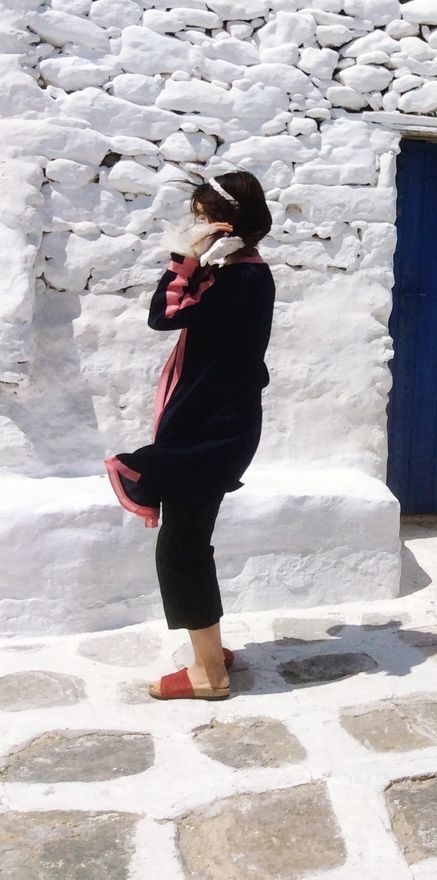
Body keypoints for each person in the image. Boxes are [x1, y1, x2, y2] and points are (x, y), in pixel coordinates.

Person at [104, 170, 275, 701]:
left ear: (223, 223)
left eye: (200, 217)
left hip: (210, 434)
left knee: (181, 550)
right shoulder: (236, 274)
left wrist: (185, 257)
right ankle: (211, 648)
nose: (194, 225)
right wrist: (200, 260)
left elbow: (165, 314)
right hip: (212, 427)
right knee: (189, 543)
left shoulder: (242, 280)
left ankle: (207, 674)